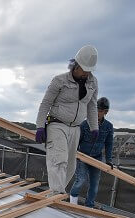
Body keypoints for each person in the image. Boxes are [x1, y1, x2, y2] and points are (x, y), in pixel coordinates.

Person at [35, 45, 99, 195]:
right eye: (84, 69)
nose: (86, 73)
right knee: (59, 160)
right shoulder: (60, 80)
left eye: (89, 70)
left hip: (76, 128)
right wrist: (39, 126)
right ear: (76, 65)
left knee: (70, 166)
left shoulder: (93, 82)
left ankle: (56, 192)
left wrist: (94, 127)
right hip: (58, 124)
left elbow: (92, 105)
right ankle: (57, 195)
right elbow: (45, 104)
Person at [69, 97, 113, 207]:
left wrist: (109, 160)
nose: (98, 113)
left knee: (94, 185)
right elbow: (77, 141)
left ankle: (89, 207)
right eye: (96, 109)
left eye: (101, 111)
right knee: (80, 181)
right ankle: (72, 204)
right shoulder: (84, 124)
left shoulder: (108, 127)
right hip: (83, 157)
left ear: (105, 112)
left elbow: (109, 144)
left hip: (97, 158)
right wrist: (74, 155)